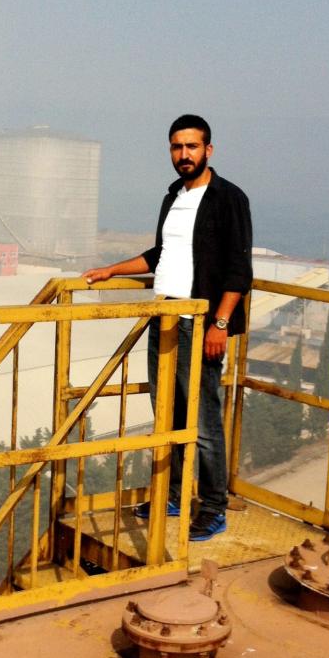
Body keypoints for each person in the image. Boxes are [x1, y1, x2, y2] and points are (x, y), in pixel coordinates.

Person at [83, 115, 252, 541]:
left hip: (200, 321)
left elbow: (239, 270)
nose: (184, 155)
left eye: (192, 147)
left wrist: (219, 324)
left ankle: (212, 507)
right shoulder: (173, 196)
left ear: (208, 150)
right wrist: (112, 270)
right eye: (177, 147)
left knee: (203, 420)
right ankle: (175, 496)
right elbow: (161, 254)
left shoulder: (229, 198)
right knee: (168, 413)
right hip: (165, 318)